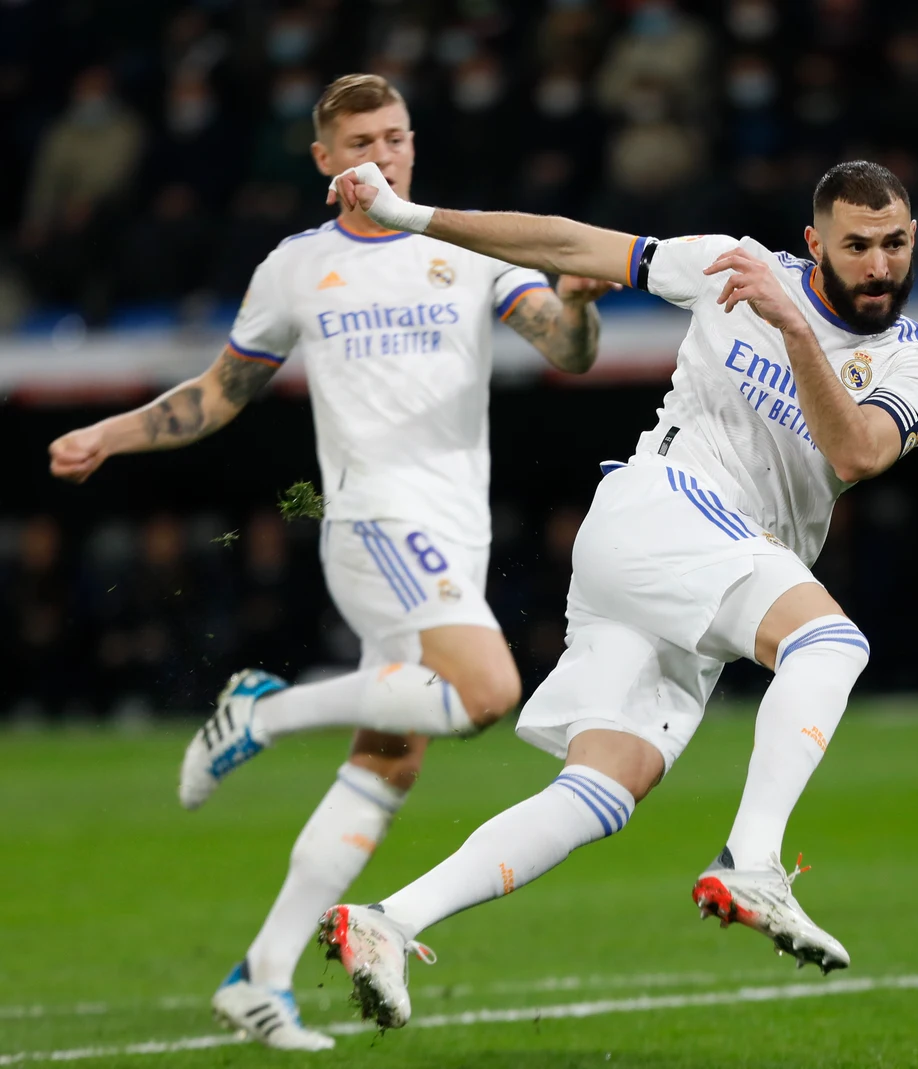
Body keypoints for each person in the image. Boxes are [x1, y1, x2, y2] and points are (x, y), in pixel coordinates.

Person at [316, 156, 918, 1030]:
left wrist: (793, 330)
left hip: (691, 571)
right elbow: (571, 241)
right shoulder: (731, 263)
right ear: (816, 244)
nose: (879, 265)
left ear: (913, 237)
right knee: (831, 644)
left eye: (893, 243)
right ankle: (752, 861)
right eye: (856, 246)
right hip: (664, 504)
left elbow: (856, 454)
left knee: (604, 789)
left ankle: (389, 919)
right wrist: (405, 211)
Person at [45, 73, 610, 1050]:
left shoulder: (463, 247)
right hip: (368, 519)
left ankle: (258, 975)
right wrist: (112, 434)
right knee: (487, 691)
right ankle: (261, 710)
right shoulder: (298, 266)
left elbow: (567, 352)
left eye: (396, 137)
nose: (383, 154)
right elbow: (219, 393)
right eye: (362, 140)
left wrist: (575, 302)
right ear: (324, 158)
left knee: (392, 755)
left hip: (451, 535)